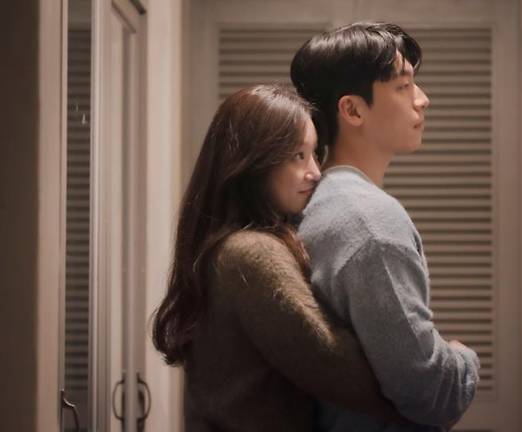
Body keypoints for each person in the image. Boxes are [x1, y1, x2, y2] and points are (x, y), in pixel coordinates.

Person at [151, 84, 405, 431]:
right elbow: (340, 370)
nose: (316, 172)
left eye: (314, 154)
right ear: (252, 162)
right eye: (297, 156)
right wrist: (443, 369)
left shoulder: (222, 247)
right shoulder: (250, 254)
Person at [291, 22, 481, 431]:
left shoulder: (320, 200)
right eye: (403, 86)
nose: (423, 100)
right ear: (353, 110)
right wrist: (464, 358)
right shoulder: (369, 222)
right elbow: (428, 392)